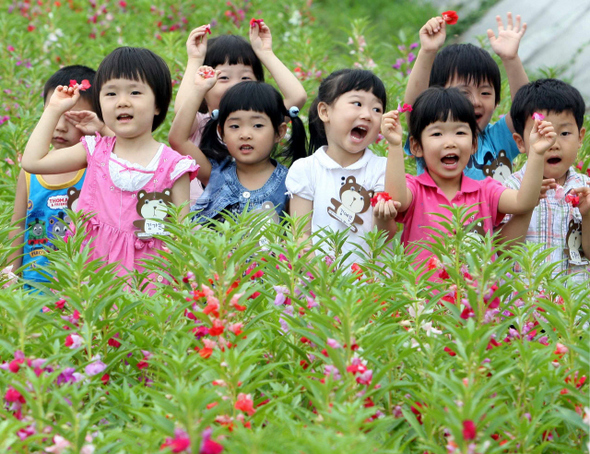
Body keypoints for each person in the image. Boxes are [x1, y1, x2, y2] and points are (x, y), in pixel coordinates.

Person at [20, 47, 198, 277]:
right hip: (92, 283)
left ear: (158, 104)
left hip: (149, 287)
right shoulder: (94, 151)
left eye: (135, 92)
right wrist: (54, 109)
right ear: (100, 104)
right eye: (111, 94)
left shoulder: (175, 167)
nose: (122, 102)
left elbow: (183, 238)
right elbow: (33, 162)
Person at [383, 87, 555, 267]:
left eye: (460, 133)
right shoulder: (415, 189)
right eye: (437, 134)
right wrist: (394, 145)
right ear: (416, 146)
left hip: (477, 295)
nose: (450, 142)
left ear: (474, 144)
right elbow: (396, 200)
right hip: (422, 295)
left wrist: (536, 153)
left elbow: (524, 202)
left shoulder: (485, 191)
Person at [172, 21, 307, 204]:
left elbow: (297, 97)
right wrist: (195, 61)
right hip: (200, 223)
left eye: (245, 77)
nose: (236, 85)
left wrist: (265, 53)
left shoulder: (261, 117)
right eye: (224, 77)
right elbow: (181, 113)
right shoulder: (200, 122)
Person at [286, 69, 400, 268]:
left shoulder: (382, 168)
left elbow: (386, 236)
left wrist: (384, 218)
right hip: (321, 284)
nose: (367, 115)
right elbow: (301, 235)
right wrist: (322, 277)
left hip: (372, 286)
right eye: (357, 103)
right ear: (325, 112)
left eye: (377, 109)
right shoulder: (305, 169)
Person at [403, 13, 528, 183]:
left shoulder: (497, 139)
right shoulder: (432, 137)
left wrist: (511, 59)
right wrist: (427, 51)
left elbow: (526, 113)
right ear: (437, 96)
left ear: (497, 101)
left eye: (485, 93)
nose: (476, 101)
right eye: (463, 93)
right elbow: (414, 108)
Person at [169, 72, 307, 223]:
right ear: (222, 132)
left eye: (258, 125)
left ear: (279, 132)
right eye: (235, 126)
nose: (245, 135)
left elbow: (297, 235)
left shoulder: (290, 183)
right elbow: (178, 139)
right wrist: (199, 90)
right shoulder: (215, 173)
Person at [8, 65, 101, 285]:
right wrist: (11, 274)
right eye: (54, 115)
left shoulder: (96, 166)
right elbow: (19, 224)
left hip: (82, 284)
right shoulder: (30, 172)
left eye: (71, 119)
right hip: (34, 282)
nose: (59, 127)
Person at [500, 79, 590, 282]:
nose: (553, 143)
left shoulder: (585, 189)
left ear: (580, 137)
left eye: (565, 133)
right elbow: (503, 252)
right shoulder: (510, 189)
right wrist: (527, 202)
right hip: (524, 304)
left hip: (572, 308)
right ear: (521, 143)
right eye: (542, 133)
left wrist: (588, 216)